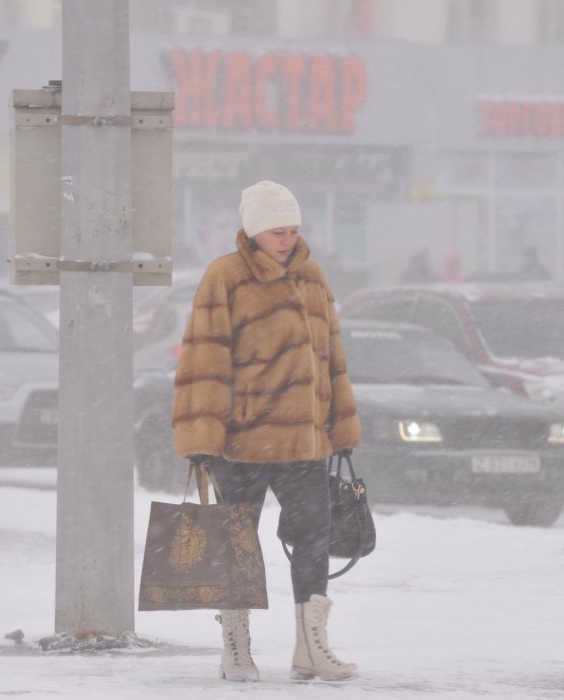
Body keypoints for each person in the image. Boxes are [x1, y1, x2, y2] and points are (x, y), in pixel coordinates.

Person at [171, 180, 362, 683]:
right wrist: (203, 440)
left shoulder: (312, 276)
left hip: (305, 442)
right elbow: (204, 358)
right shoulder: (226, 276)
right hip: (244, 442)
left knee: (314, 538)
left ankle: (311, 648)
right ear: (254, 231)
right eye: (277, 231)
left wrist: (340, 426)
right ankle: (236, 647)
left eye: (293, 230)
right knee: (238, 543)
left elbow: (332, 358)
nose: (286, 239)